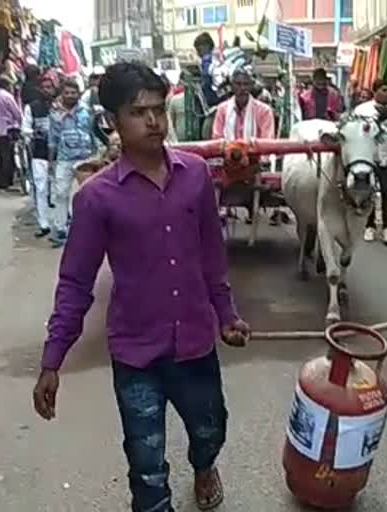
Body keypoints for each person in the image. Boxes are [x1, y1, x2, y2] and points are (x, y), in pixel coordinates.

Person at [32, 61, 250, 512]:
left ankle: (204, 465)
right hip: (136, 353)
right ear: (112, 121)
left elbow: (213, 257)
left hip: (194, 344)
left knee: (210, 430)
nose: (153, 121)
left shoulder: (195, 178)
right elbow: (75, 283)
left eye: (158, 109)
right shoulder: (95, 199)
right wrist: (53, 360)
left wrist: (226, 316)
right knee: (146, 466)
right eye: (138, 112)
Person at [212, 68, 276, 224]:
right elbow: (217, 139)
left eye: (246, 84)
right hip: (227, 164)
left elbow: (267, 141)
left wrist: (261, 160)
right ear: (232, 86)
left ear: (251, 86)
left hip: (253, 166)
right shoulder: (222, 110)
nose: (242, 88)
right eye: (238, 84)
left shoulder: (264, 110)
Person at [355, 79, 387, 246]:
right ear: (375, 91)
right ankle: (369, 226)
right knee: (368, 194)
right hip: (368, 160)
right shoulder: (362, 110)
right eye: (384, 89)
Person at [48, 79, 97, 248]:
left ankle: (87, 230)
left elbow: (93, 133)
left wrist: (97, 157)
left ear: (78, 94)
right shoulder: (55, 114)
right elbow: (52, 139)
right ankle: (60, 230)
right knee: (61, 194)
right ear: (62, 94)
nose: (70, 96)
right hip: (64, 158)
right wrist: (51, 161)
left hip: (85, 157)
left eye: (73, 93)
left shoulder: (87, 111)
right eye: (67, 93)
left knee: (86, 195)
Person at [22, 75, 57, 238]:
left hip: (59, 154)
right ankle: (44, 223)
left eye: (49, 87)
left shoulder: (59, 107)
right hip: (39, 153)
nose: (47, 90)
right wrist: (35, 133)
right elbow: (25, 129)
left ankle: (61, 221)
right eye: (44, 87)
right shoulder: (31, 108)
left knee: (60, 189)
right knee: (41, 188)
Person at [0, 76, 23, 190]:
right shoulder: (7, 96)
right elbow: (17, 113)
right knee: (6, 156)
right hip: (6, 130)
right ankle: (6, 180)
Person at [194, 32, 221, 108]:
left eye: (199, 49)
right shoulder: (217, 58)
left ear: (207, 46)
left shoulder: (207, 61)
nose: (198, 53)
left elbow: (206, 80)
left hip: (212, 100)